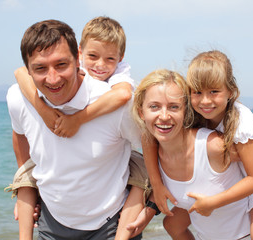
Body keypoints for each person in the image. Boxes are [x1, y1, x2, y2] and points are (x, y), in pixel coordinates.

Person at [9, 16, 156, 240]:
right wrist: (25, 183)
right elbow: (20, 135)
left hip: (110, 224)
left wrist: (152, 205)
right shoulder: (19, 98)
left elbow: (157, 145)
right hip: (51, 222)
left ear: (76, 59)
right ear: (28, 70)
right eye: (40, 68)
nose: (52, 78)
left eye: (61, 64)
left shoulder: (117, 105)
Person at [147, 50, 253, 239]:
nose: (205, 100)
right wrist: (157, 184)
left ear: (231, 91)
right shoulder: (195, 114)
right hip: (228, 180)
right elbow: (149, 138)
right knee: (172, 223)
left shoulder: (240, 123)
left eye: (214, 92)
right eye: (197, 92)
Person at [132, 69, 252, 239]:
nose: (164, 116)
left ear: (186, 111)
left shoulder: (213, 146)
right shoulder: (156, 152)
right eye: (154, 107)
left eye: (174, 107)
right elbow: (147, 138)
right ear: (141, 113)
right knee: (170, 224)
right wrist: (150, 205)